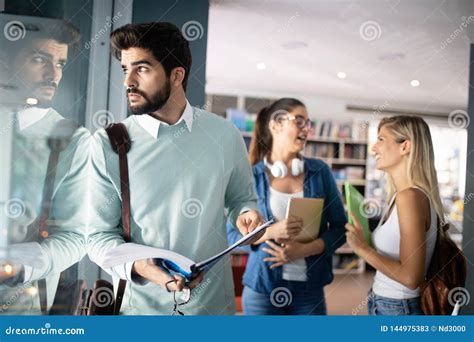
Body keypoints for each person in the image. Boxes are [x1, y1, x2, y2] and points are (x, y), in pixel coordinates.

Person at [87, 22, 263, 315]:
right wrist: (142, 267)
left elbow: (240, 198)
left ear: (176, 75)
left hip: (214, 310)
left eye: (141, 69)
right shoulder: (108, 143)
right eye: (124, 69)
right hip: (141, 312)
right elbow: (96, 236)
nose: (128, 81)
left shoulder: (225, 135)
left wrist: (247, 215)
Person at [0, 15, 90, 314]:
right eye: (40, 59)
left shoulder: (73, 139)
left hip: (20, 310)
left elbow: (78, 236)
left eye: (61, 63)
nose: (53, 73)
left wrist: (25, 263)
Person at [227, 98, 347, 315]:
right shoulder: (250, 177)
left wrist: (307, 249)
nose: (307, 129)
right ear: (275, 125)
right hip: (262, 291)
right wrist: (268, 232)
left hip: (309, 291)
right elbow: (230, 238)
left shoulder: (319, 172)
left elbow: (340, 230)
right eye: (299, 121)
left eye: (309, 123)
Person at [345, 115, 440, 315]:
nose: (373, 148)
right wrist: (364, 240)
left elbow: (410, 277)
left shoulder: (410, 197)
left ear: (405, 147)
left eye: (381, 139)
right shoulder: (399, 196)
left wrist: (361, 248)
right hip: (386, 302)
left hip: (399, 307)